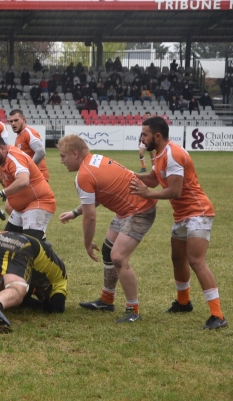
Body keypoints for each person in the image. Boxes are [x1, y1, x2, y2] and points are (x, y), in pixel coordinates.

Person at [131, 117, 227, 330]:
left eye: (145, 134)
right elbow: (153, 179)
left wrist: (148, 194)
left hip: (198, 212)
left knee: (196, 260)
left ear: (157, 136)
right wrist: (126, 174)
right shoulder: (159, 155)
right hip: (182, 215)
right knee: (177, 258)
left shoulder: (173, 154)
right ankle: (183, 302)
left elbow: (175, 191)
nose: (142, 138)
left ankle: (218, 315)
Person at [57, 135, 157, 323]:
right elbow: (98, 196)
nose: (61, 161)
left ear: (75, 154)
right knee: (108, 250)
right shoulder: (95, 160)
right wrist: (74, 212)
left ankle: (133, 310)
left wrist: (87, 243)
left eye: (63, 156)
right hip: (128, 209)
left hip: (139, 210)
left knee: (118, 257)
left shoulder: (84, 175)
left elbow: (91, 216)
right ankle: (107, 300)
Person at [0, 135, 55, 240]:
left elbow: (23, 180)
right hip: (21, 208)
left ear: (2, 148)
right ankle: (42, 241)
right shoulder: (4, 154)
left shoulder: (14, 158)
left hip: (37, 202)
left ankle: (42, 243)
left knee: (29, 246)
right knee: (7, 243)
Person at [9, 109, 49, 181]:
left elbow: (41, 151)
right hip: (31, 176)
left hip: (37, 176)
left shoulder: (28, 132)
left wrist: (29, 168)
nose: (13, 123)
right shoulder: (20, 135)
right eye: (11, 121)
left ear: (23, 119)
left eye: (16, 120)